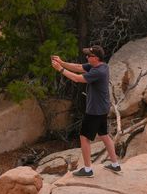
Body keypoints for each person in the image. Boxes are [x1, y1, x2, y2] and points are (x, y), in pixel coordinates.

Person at [51, 46, 121, 177]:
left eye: (89, 55)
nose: (87, 57)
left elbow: (77, 78)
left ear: (95, 58)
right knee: (104, 135)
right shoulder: (101, 66)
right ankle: (115, 164)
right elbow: (78, 67)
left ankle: (88, 170)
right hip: (102, 108)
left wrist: (60, 69)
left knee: (84, 137)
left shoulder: (98, 72)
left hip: (95, 110)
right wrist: (61, 62)